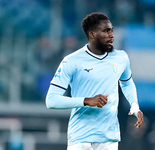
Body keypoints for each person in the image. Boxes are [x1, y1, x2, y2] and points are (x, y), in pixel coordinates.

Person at [45, 12, 143, 150]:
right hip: (80, 137)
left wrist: (134, 105)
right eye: (106, 31)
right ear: (92, 34)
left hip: (108, 138)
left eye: (112, 31)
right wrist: (86, 100)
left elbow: (126, 82)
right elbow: (51, 100)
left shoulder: (121, 58)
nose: (112, 35)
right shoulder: (71, 61)